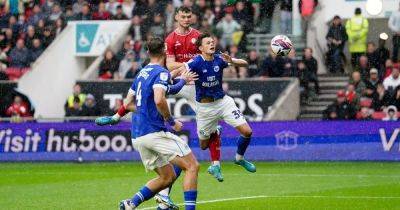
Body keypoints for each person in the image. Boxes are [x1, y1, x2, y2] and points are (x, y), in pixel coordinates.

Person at [96, 37, 200, 210]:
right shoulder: (161, 72)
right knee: (192, 166)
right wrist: (171, 122)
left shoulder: (142, 73)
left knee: (166, 177)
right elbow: (160, 99)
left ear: (148, 52)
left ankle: (131, 204)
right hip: (154, 133)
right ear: (165, 52)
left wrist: (115, 118)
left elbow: (128, 103)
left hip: (138, 136)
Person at [162, 6, 222, 208]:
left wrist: (188, 65)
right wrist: (187, 66)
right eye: (183, 16)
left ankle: (215, 163)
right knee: (156, 96)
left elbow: (205, 59)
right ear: (177, 17)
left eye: (189, 16)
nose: (186, 19)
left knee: (213, 122)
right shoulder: (171, 39)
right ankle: (147, 120)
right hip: (181, 83)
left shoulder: (199, 36)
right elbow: (170, 66)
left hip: (196, 85)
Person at [181, 32, 256, 180]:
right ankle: (216, 137)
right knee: (203, 145)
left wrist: (232, 61)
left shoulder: (219, 59)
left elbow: (245, 63)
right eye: (208, 43)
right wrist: (168, 78)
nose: (212, 44)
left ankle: (239, 158)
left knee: (247, 131)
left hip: (223, 103)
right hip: (205, 109)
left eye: (213, 42)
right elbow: (178, 70)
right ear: (201, 48)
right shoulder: (195, 62)